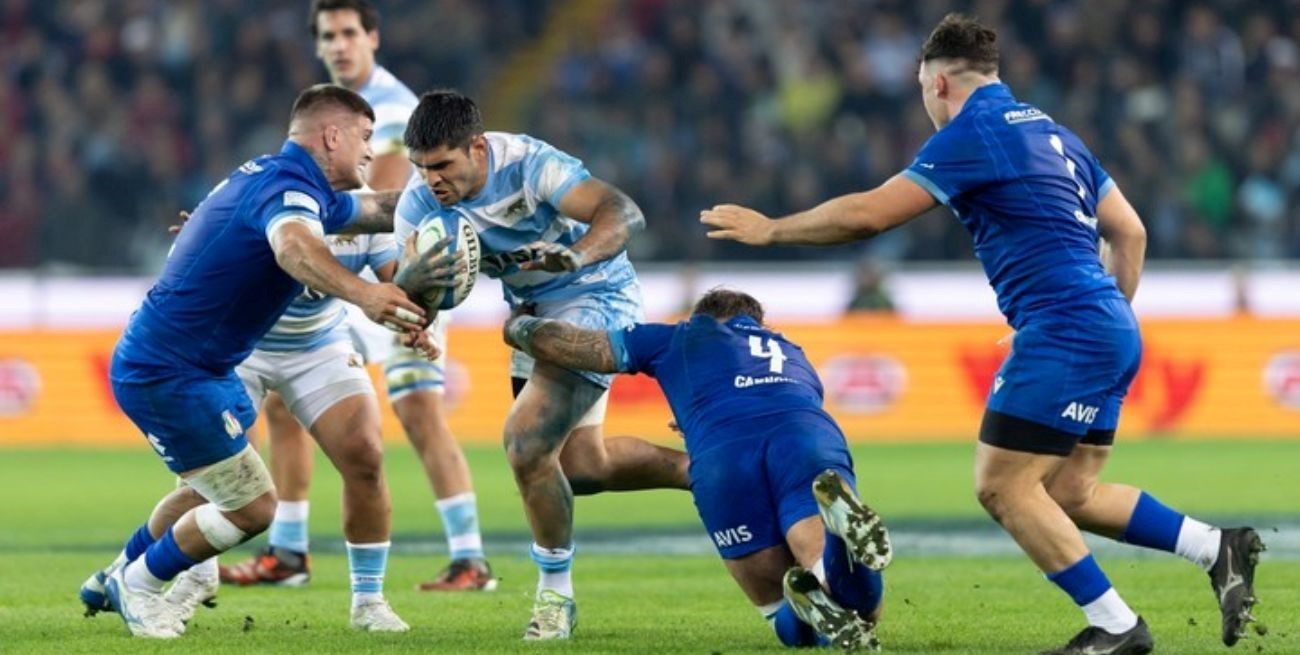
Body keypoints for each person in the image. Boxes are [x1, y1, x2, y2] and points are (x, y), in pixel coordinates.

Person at [701, 14, 1264, 655]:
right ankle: (1217, 547)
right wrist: (1107, 314)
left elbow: (867, 215)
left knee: (1001, 485)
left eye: (922, 91)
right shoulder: (1054, 133)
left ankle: (1117, 627)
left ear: (938, 84)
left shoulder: (973, 132)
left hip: (1067, 328)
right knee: (1069, 491)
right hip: (1107, 322)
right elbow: (1129, 231)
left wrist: (773, 229)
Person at [77, 84, 454, 639]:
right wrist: (366, 296)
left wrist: (454, 197)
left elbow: (379, 210)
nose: (371, 152)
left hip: (205, 368)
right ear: (332, 136)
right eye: (365, 138)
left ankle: (120, 574)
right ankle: (138, 584)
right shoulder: (289, 193)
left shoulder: (290, 182)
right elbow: (294, 250)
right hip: (170, 373)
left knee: (226, 491)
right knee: (252, 506)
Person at [219, 0, 497, 592]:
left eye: (350, 32)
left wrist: (281, 227)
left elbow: (386, 200)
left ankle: (470, 556)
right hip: (344, 273)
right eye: (328, 35)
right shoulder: (327, 111)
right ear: (318, 44)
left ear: (373, 37)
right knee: (284, 404)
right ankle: (288, 552)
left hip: (396, 265)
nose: (340, 44)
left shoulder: (395, 108)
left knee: (418, 410)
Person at [394, 89, 690, 640]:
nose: (431, 179)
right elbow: (413, 291)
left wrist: (576, 255)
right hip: (533, 315)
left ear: (477, 148)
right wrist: (414, 296)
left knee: (526, 443)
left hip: (598, 295)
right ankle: (703, 468)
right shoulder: (419, 202)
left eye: (442, 165)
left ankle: (555, 597)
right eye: (421, 167)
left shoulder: (531, 165)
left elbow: (624, 213)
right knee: (580, 468)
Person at [504, 288, 893, 650]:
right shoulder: (792, 349)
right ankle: (840, 538)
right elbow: (756, 393)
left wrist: (519, 326)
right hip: (807, 437)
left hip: (724, 455)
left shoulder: (681, 335)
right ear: (757, 323)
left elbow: (576, 347)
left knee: (780, 612)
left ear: (702, 317)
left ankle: (805, 602)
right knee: (846, 593)